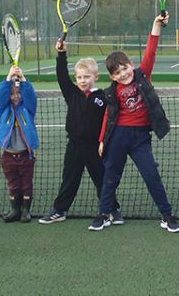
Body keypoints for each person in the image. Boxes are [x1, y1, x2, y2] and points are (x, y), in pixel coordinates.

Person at [90, 13, 179, 233]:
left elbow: (151, 50)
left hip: (141, 138)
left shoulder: (143, 75)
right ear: (112, 77)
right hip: (118, 137)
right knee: (111, 177)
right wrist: (102, 140)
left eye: (124, 68)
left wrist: (155, 25)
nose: (123, 74)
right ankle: (104, 214)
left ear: (131, 65)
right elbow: (107, 117)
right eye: (117, 72)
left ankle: (167, 215)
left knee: (151, 175)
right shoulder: (112, 92)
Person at [39, 42, 122, 225]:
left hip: (95, 147)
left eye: (87, 77)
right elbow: (62, 76)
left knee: (102, 179)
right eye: (79, 77)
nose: (83, 80)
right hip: (74, 146)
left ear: (95, 77)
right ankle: (59, 210)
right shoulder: (72, 94)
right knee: (69, 178)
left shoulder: (103, 96)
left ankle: (112, 209)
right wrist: (61, 54)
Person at [0, 66, 40, 223]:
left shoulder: (28, 109)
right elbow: (0, 96)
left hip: (25, 155)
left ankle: (26, 210)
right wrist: (9, 78)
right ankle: (15, 209)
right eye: (12, 93)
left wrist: (23, 79)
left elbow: (30, 96)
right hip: (8, 155)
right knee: (13, 184)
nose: (15, 96)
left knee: (26, 184)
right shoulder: (4, 110)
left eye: (18, 93)